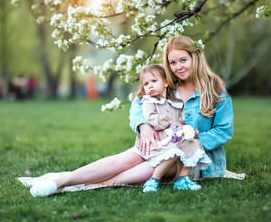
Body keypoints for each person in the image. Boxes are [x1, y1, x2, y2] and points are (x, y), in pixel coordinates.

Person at [26, 35, 234, 197]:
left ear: (194, 57)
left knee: (148, 167)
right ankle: (61, 181)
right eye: (172, 63)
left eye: (183, 60)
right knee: (126, 158)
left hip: (193, 160)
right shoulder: (168, 85)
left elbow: (224, 131)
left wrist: (191, 138)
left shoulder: (216, 91)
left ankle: (86, 186)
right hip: (160, 144)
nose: (178, 67)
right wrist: (143, 125)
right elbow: (138, 102)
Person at [134, 64, 211, 192]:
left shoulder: (174, 102)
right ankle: (153, 180)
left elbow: (180, 121)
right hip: (158, 140)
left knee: (194, 144)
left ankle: (182, 179)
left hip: (174, 137)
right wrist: (170, 122)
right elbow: (151, 118)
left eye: (154, 81)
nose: (150, 86)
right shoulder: (148, 101)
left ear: (165, 83)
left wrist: (188, 130)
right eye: (146, 84)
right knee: (173, 150)